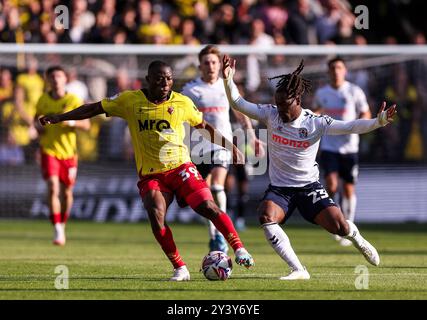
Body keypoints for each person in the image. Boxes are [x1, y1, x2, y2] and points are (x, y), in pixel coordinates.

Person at [39, 60, 254, 281]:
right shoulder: (129, 100)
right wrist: (60, 117)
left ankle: (239, 249)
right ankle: (180, 267)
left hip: (181, 167)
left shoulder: (182, 102)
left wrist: (231, 147)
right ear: (148, 79)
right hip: (152, 174)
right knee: (156, 215)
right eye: (159, 78)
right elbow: (93, 108)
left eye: (169, 78)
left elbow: (205, 128)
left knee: (209, 206)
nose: (165, 82)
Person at [222, 55, 396, 280]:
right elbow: (238, 103)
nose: (280, 110)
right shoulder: (270, 114)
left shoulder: (315, 122)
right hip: (280, 189)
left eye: (284, 105)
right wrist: (228, 80)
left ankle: (355, 236)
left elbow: (351, 126)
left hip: (308, 188)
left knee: (339, 228)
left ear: (297, 100)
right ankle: (298, 269)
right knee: (266, 216)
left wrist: (377, 122)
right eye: (277, 104)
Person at [182, 45, 265, 253]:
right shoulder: (190, 90)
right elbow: (181, 118)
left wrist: (252, 137)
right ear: (200, 66)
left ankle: (221, 235)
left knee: (218, 186)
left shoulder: (227, 86)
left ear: (219, 65)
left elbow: (240, 112)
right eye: (206, 63)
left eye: (214, 62)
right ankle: (213, 233)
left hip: (223, 145)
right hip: (198, 147)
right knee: (205, 195)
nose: (210, 66)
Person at [313, 57, 371, 246]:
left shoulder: (354, 91)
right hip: (330, 146)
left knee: (348, 189)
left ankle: (349, 225)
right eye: (332, 68)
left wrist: (360, 124)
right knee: (331, 185)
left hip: (350, 148)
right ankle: (336, 222)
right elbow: (316, 112)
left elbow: (366, 113)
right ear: (328, 72)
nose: (336, 71)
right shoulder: (322, 93)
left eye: (339, 68)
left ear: (344, 70)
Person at [33, 66, 90, 246]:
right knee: (52, 187)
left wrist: (71, 121)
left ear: (66, 79)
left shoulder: (73, 99)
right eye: (52, 77)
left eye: (59, 76)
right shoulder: (43, 100)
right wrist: (39, 127)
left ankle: (62, 223)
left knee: (66, 193)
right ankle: (57, 227)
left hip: (68, 153)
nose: (56, 79)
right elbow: (37, 122)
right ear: (48, 80)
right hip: (49, 150)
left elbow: (86, 125)